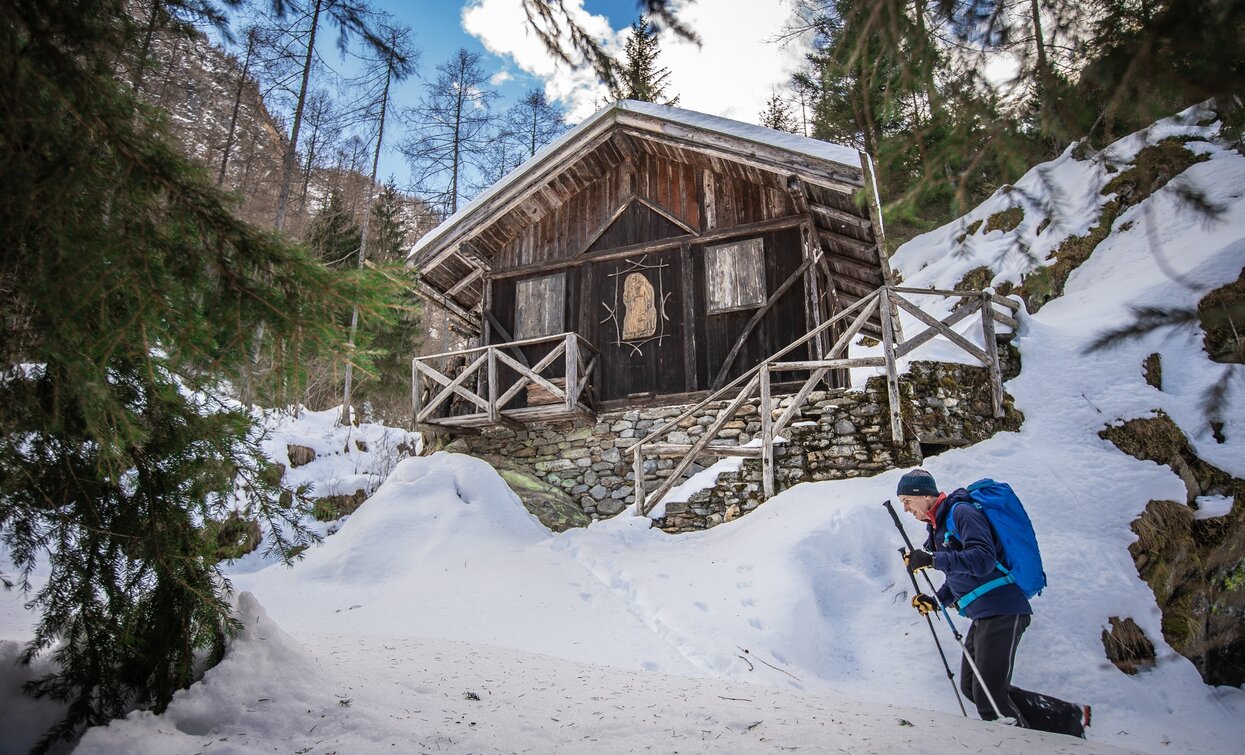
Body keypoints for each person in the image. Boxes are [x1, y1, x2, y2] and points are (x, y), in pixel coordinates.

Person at [897, 468, 1092, 738]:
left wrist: (932, 560)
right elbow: (959, 578)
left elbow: (983, 559)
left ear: (925, 495)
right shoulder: (939, 528)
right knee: (972, 687)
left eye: (907, 500)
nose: (906, 508)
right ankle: (1067, 717)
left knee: (990, 699)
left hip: (1003, 608)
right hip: (985, 614)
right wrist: (935, 600)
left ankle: (1021, 743)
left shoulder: (961, 513)